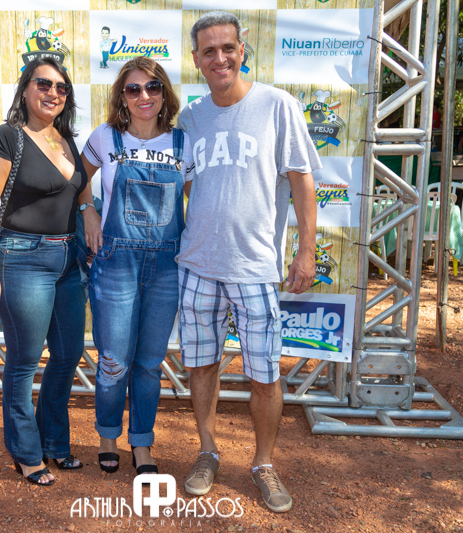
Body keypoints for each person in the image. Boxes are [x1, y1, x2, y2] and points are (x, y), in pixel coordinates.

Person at [176, 12, 320, 513]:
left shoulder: (278, 105)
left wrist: (305, 250)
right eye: (208, 51)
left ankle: (263, 464)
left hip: (256, 267)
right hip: (197, 265)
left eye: (227, 48)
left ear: (242, 50)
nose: (219, 58)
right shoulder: (190, 117)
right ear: (196, 59)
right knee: (201, 366)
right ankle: (208, 451)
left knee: (264, 374)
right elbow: (186, 186)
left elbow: (302, 181)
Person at [0, 57, 87, 487]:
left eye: (61, 87)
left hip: (68, 260)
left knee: (67, 355)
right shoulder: (7, 137)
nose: (53, 92)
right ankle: (26, 453)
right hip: (22, 259)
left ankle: (54, 442)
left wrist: (90, 212)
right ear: (25, 89)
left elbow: (79, 192)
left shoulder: (66, 139)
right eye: (43, 83)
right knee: (24, 363)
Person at [78, 56, 193, 475]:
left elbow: (197, 201)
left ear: (164, 94)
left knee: (148, 363)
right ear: (122, 98)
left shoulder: (183, 144)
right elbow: (78, 179)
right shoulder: (105, 137)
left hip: (166, 267)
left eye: (153, 87)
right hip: (116, 264)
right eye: (134, 89)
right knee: (113, 361)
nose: (144, 95)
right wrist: (89, 211)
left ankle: (141, 443)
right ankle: (108, 435)